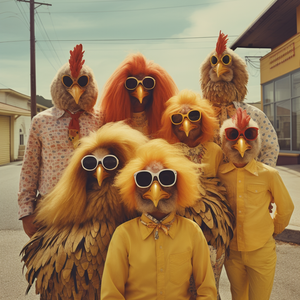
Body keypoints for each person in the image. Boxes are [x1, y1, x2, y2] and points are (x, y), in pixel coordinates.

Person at [101, 139, 217, 300]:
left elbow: (207, 291)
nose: (155, 187)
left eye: (166, 177)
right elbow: (111, 295)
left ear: (179, 184)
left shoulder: (192, 232)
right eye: (144, 179)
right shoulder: (123, 235)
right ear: (134, 186)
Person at [18, 44, 102, 237]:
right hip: (50, 210)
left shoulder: (102, 119)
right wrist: (26, 213)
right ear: (58, 83)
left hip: (91, 210)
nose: (75, 88)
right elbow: (30, 167)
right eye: (68, 82)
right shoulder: (40, 122)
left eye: (82, 82)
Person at [158, 89, 234, 299]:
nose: (186, 123)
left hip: (213, 228)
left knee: (209, 279)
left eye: (194, 116)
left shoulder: (215, 150)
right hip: (177, 225)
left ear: (204, 121)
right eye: (178, 118)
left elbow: (227, 183)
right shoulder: (166, 150)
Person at [217, 108, 294, 300]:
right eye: (233, 136)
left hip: (261, 252)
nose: (240, 142)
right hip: (232, 254)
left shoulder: (269, 174)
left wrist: (272, 230)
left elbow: (286, 208)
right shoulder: (220, 174)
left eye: (248, 136)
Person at [99, 52, 178, 137]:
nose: (140, 89)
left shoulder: (170, 125)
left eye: (148, 83)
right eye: (132, 84)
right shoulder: (103, 121)